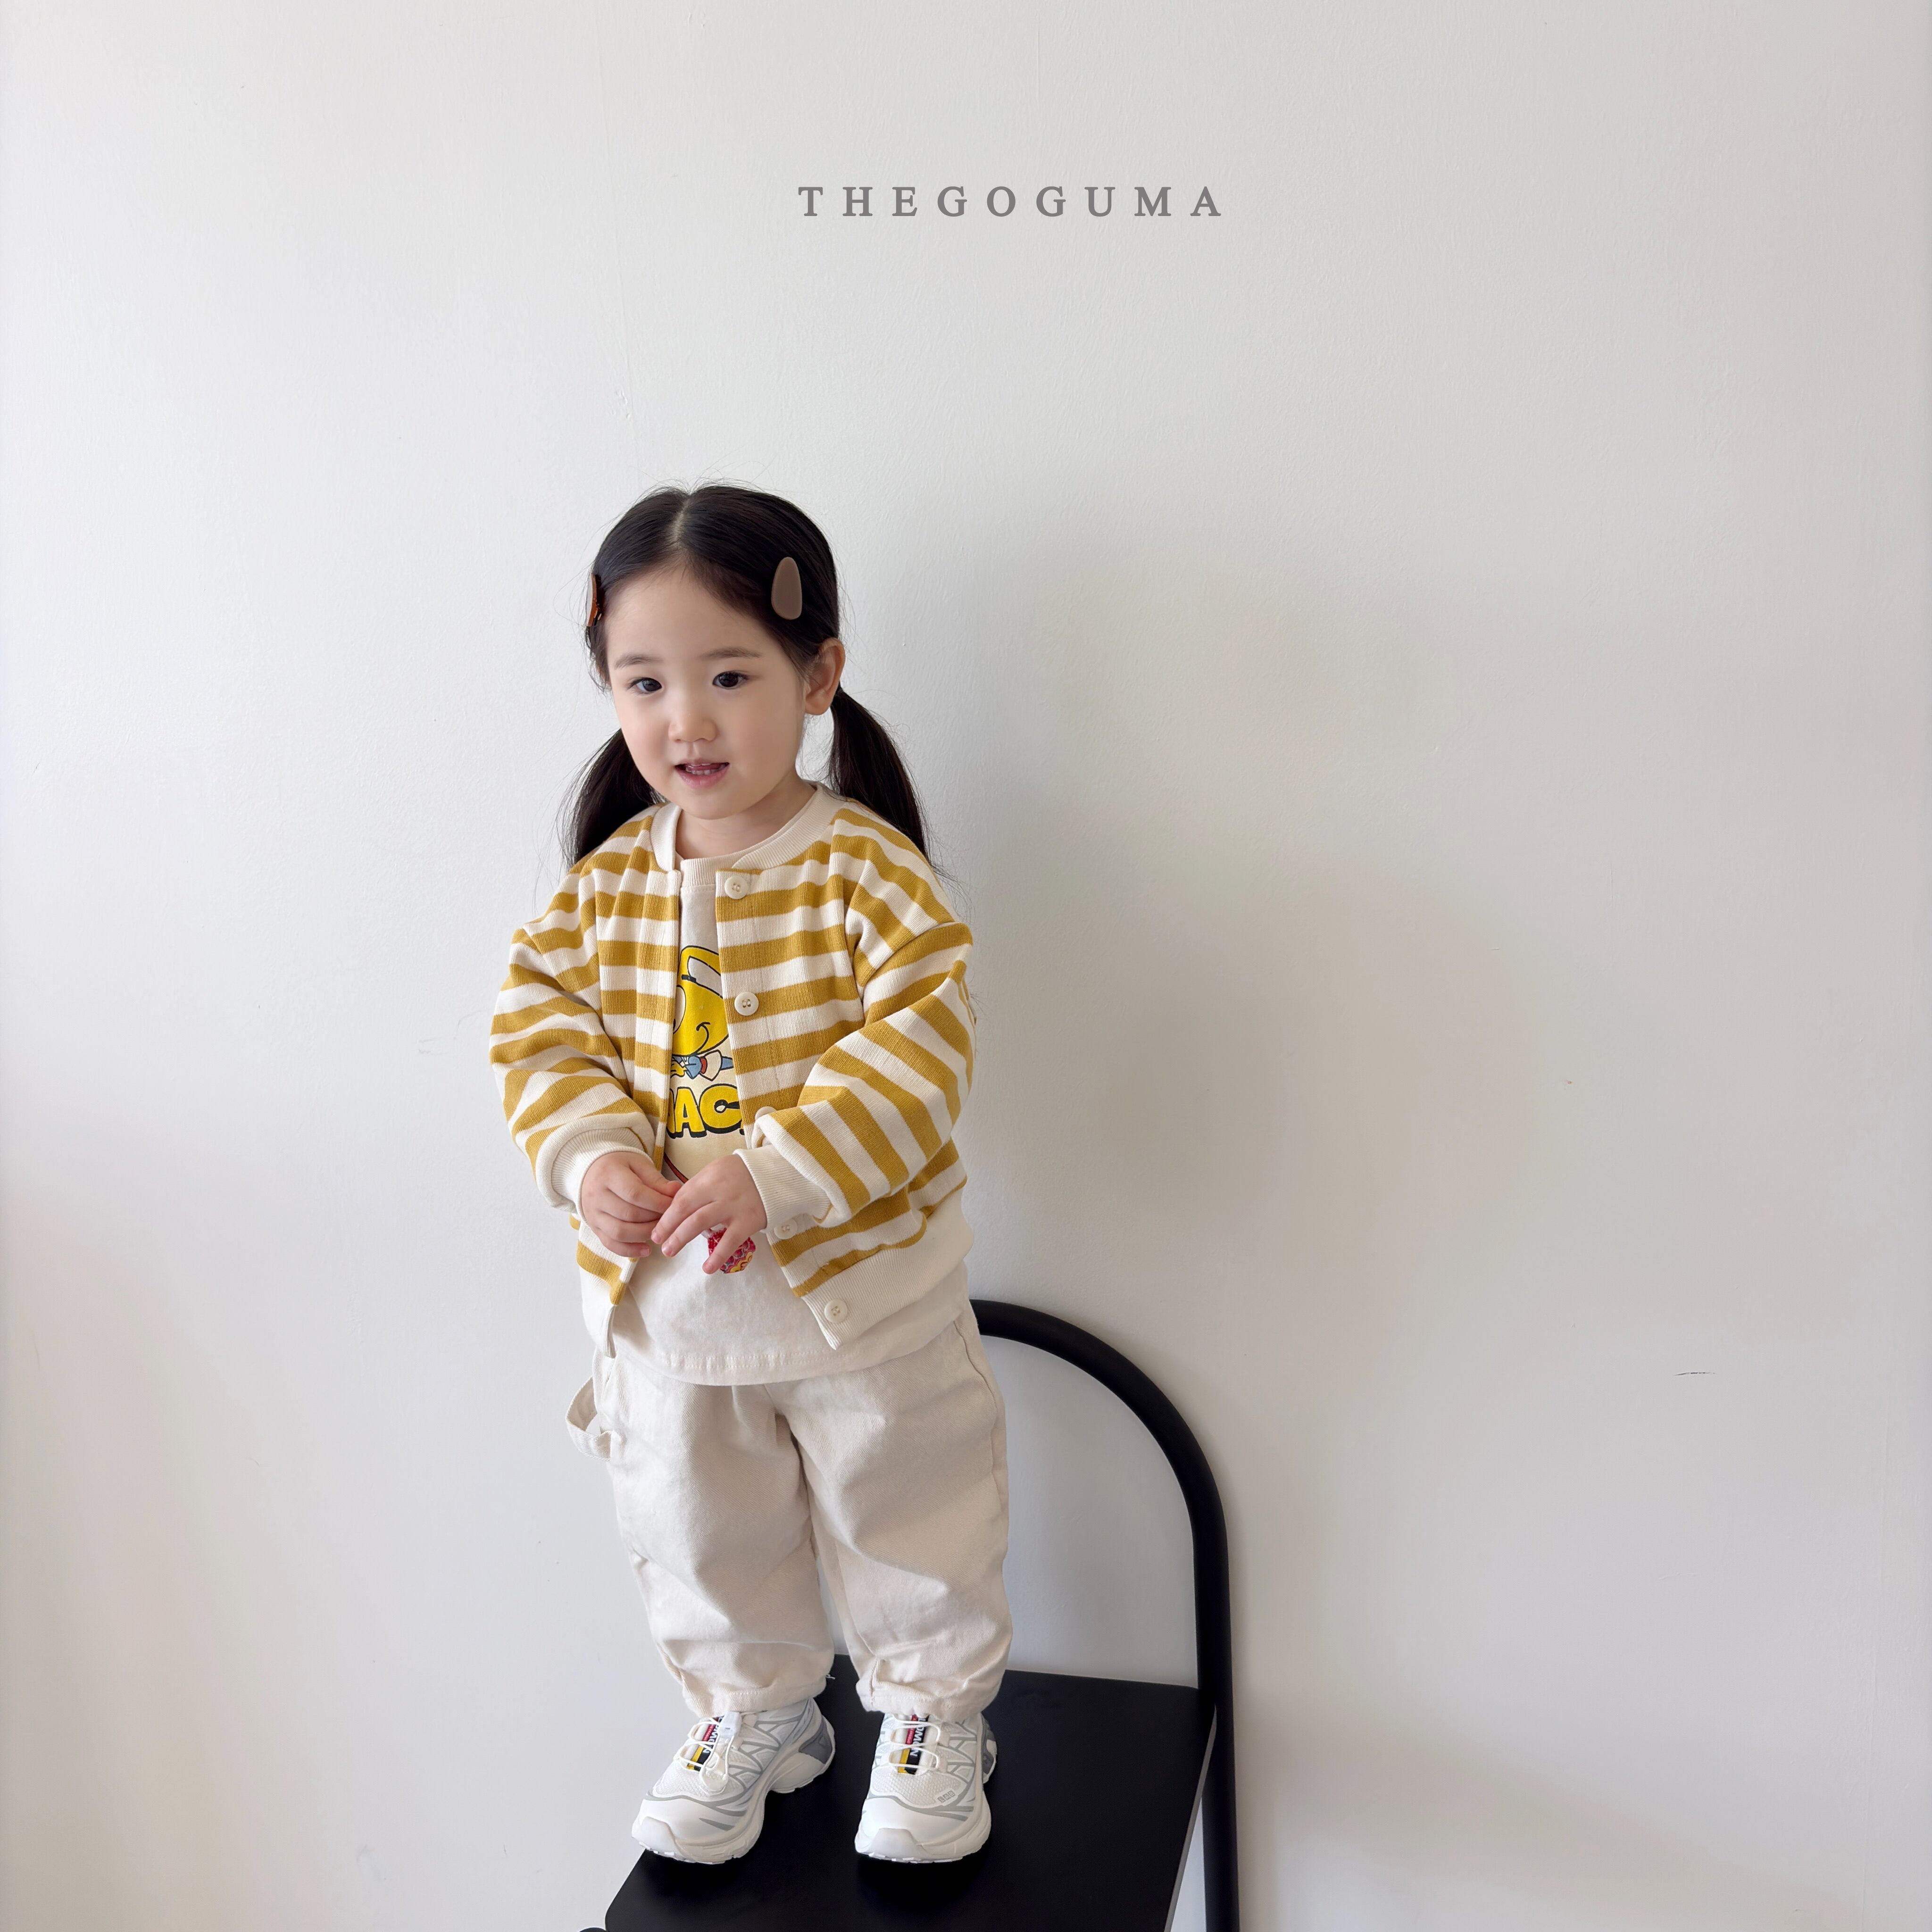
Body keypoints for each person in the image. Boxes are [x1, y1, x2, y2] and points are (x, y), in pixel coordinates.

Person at [488, 483, 1011, 1867]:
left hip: (861, 1308)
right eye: (644, 683)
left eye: (728, 677)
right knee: (698, 1527)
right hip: (673, 1315)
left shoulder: (868, 878)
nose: (687, 721)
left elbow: (918, 1056)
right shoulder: (603, 891)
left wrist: (774, 1174)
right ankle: (758, 1713)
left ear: (817, 674)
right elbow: (540, 1034)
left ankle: (932, 1715)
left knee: (908, 1515)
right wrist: (591, 1156)